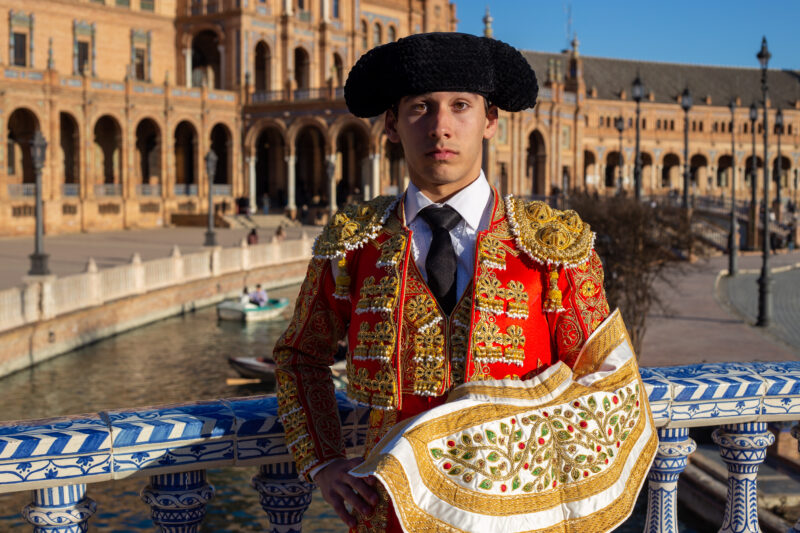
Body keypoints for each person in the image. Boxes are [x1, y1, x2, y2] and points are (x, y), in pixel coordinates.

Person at [274, 32, 650, 532]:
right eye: (419, 108)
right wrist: (323, 462)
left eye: (460, 106)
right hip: (388, 515)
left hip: (522, 519)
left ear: (490, 121)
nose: (440, 127)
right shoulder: (353, 244)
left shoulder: (549, 245)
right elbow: (300, 357)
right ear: (390, 124)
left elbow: (605, 379)